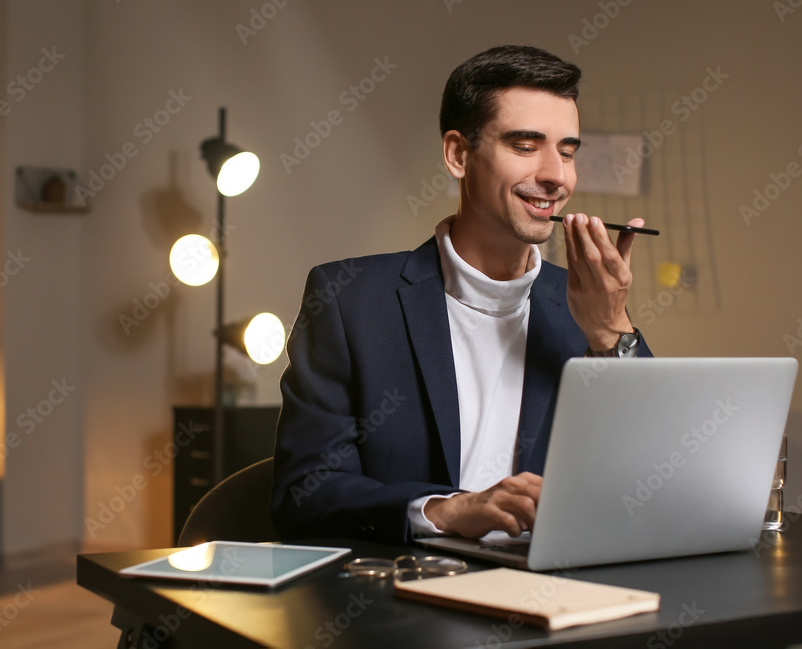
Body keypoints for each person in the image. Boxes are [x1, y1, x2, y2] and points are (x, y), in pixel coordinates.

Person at [270, 45, 652, 544]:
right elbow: (304, 496)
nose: (557, 175)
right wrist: (450, 512)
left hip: (553, 597)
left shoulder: (588, 303)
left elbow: (654, 481)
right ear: (458, 154)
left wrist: (610, 331)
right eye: (525, 145)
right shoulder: (350, 301)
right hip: (400, 602)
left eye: (567, 150)